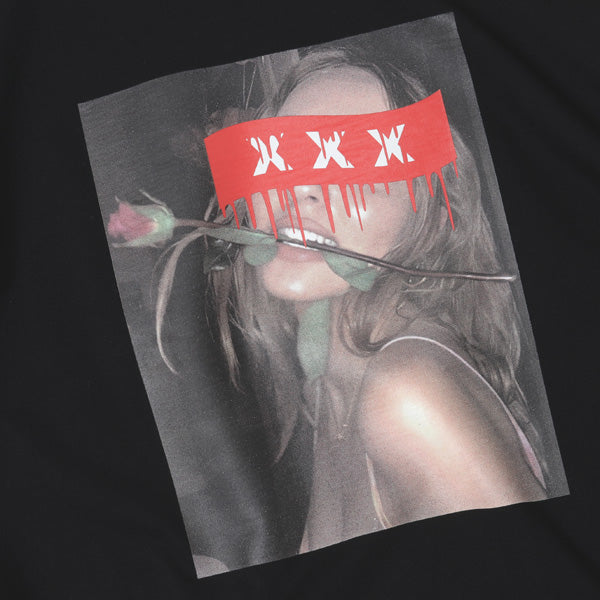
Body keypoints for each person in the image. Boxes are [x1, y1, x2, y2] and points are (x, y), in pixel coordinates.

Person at [197, 47, 548, 553]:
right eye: (281, 153)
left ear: (429, 219)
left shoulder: (408, 394)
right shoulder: (328, 380)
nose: (300, 189)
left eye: (357, 163)